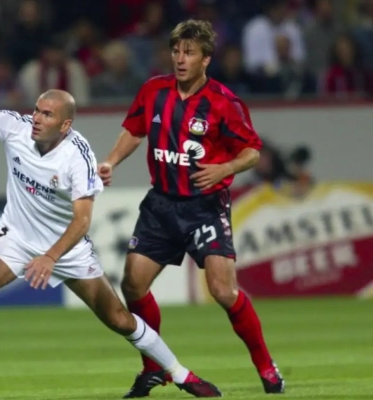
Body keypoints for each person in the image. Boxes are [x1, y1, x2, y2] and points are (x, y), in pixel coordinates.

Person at [0, 86, 222, 400]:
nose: (36, 118)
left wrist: (51, 256)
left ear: (65, 125)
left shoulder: (78, 157)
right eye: (36, 110)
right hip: (15, 237)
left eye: (47, 114)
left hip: (68, 249)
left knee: (119, 319)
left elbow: (82, 221)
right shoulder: (13, 127)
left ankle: (181, 374)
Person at [97, 20, 285, 398]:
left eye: (190, 53)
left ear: (206, 59)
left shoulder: (224, 102)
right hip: (161, 205)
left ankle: (266, 366)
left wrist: (225, 168)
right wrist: (111, 161)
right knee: (132, 284)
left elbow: (252, 151)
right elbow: (135, 130)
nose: (180, 59)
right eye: (176, 51)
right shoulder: (154, 90)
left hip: (204, 206)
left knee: (223, 291)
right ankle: (153, 368)